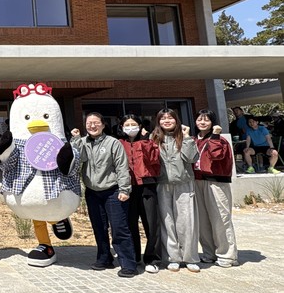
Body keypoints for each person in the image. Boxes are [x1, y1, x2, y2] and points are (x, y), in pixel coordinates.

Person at [70, 113, 136, 278]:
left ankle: (128, 264)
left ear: (103, 125)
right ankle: (104, 258)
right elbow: (78, 158)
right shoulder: (82, 142)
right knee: (99, 227)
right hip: (92, 192)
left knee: (119, 228)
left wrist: (124, 190)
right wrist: (76, 140)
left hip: (113, 191)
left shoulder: (113, 143)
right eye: (89, 123)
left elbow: (121, 167)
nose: (92, 126)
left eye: (96, 123)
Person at [151, 108, 200, 272]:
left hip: (183, 183)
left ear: (176, 120)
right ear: (158, 121)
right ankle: (172, 258)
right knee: (167, 222)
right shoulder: (154, 138)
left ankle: (190, 257)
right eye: (163, 118)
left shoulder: (185, 137)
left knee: (187, 222)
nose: (166, 121)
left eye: (170, 118)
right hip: (162, 183)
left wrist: (186, 138)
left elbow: (191, 158)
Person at [117, 114, 163, 273]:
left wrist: (144, 141)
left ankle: (152, 258)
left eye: (133, 124)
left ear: (140, 126)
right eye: (127, 125)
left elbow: (154, 160)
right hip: (127, 188)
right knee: (130, 224)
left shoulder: (148, 142)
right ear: (122, 127)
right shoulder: (119, 143)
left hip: (147, 186)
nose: (130, 127)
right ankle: (134, 256)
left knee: (151, 224)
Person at [193, 109, 238, 268]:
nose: (202, 122)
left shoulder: (219, 140)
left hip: (216, 182)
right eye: (199, 119)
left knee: (220, 218)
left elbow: (216, 155)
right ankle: (209, 253)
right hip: (197, 181)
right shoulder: (195, 139)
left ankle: (227, 255)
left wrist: (215, 135)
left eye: (206, 120)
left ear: (213, 122)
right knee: (202, 221)